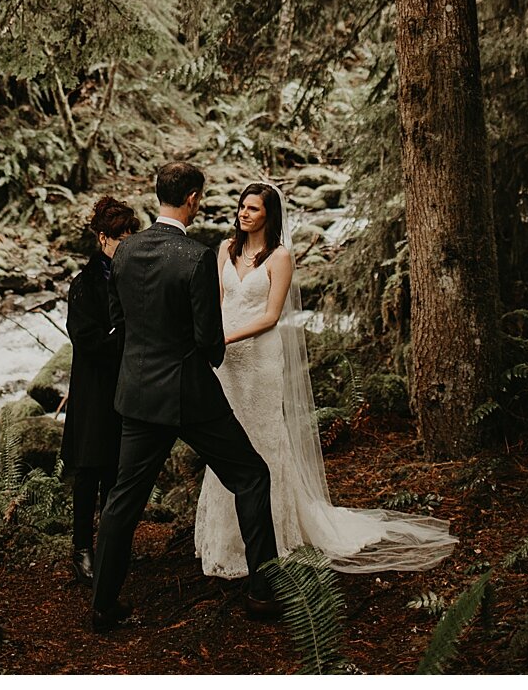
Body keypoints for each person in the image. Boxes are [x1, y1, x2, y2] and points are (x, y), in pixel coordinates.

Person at [195, 181, 456, 578]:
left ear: (269, 216)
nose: (244, 214)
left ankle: (275, 533)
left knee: (262, 438)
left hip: (259, 356)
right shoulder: (225, 250)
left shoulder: (279, 257)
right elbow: (218, 301)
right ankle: (225, 537)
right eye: (242, 207)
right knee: (228, 437)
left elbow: (270, 317)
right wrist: (213, 340)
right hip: (227, 360)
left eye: (253, 209)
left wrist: (226, 336)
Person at [88, 160, 280, 630]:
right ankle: (261, 593)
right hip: (191, 397)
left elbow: (119, 320)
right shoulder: (195, 257)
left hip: (138, 397)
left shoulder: (126, 250)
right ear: (192, 198)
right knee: (251, 476)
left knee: (122, 502)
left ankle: (103, 606)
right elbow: (209, 340)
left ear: (158, 195)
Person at [61, 194, 140, 585]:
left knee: (118, 469)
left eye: (129, 236)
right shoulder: (84, 284)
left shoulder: (135, 277)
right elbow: (84, 338)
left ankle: (111, 546)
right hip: (93, 390)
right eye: (117, 237)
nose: (123, 243)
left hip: (129, 386)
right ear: (102, 238)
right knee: (89, 470)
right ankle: (81, 549)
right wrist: (123, 338)